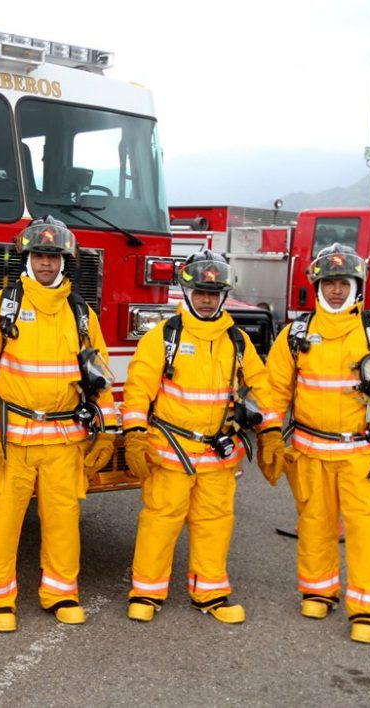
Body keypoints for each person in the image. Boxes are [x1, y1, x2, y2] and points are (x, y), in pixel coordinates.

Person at [264, 242, 370, 644]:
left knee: (366, 531)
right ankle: (318, 591)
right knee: (315, 526)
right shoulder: (297, 334)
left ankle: (369, 610)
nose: (336, 290)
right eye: (329, 283)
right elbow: (273, 392)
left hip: (363, 456)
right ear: (316, 286)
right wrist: (269, 432)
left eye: (343, 282)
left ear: (357, 285)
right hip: (309, 453)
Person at [0, 216, 119, 632]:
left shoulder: (81, 315)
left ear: (64, 260)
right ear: (26, 258)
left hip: (65, 441)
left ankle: (61, 593)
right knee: (2, 521)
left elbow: (99, 375)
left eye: (52, 256)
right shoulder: (2, 306)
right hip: (10, 438)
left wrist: (109, 430)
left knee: (64, 521)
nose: (46, 263)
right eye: (39, 255)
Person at [120, 249, 281, 624]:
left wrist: (271, 432)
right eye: (200, 292)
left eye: (214, 293)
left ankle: (210, 593)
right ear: (187, 291)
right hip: (171, 453)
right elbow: (138, 391)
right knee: (160, 522)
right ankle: (146, 593)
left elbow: (261, 390)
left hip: (218, 458)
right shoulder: (164, 337)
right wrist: (134, 435)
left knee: (215, 524)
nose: (207, 299)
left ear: (223, 295)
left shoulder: (237, 342)